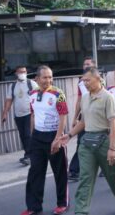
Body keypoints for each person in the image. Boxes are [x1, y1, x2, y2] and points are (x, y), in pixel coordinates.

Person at [58, 67, 115, 215]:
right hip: (87, 142)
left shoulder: (107, 97)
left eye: (88, 80)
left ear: (98, 79)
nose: (85, 83)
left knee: (113, 176)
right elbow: (84, 121)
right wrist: (70, 135)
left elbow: (113, 124)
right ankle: (81, 211)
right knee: (85, 178)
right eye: (83, 81)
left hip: (104, 141)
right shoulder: (85, 98)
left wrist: (112, 148)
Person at [21, 65, 69, 215]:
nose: (48, 80)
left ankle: (62, 203)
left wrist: (58, 139)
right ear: (37, 79)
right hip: (37, 137)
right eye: (44, 77)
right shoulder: (32, 94)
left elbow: (63, 116)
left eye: (50, 77)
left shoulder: (58, 94)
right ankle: (34, 206)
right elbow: (33, 114)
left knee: (59, 171)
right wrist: (31, 135)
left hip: (54, 135)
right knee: (35, 171)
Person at [2, 66, 38, 166]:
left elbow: (38, 95)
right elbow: (9, 100)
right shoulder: (13, 86)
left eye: (24, 71)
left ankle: (29, 156)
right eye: (20, 72)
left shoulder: (31, 83)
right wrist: (5, 113)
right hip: (18, 115)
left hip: (29, 114)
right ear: (16, 73)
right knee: (23, 135)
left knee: (27, 134)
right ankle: (30, 153)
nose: (23, 73)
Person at [68, 56, 97, 181]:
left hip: (98, 115)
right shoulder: (81, 82)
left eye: (89, 64)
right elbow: (79, 100)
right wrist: (75, 118)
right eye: (85, 64)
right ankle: (74, 170)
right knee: (81, 142)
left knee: (102, 142)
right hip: (85, 116)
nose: (86, 66)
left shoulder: (100, 80)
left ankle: (108, 166)